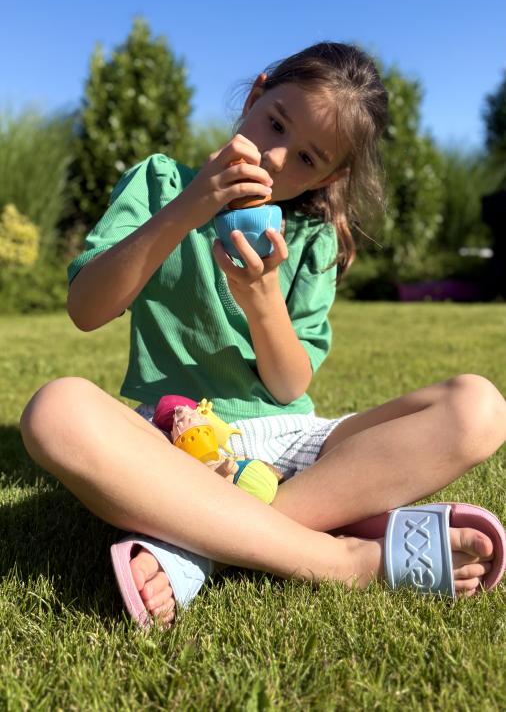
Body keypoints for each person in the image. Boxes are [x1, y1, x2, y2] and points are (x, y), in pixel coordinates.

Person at [20, 43, 506, 629]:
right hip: (175, 445)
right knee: (55, 411)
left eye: (306, 158)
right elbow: (86, 308)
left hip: (291, 441)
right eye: (275, 123)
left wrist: (262, 298)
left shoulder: (312, 237)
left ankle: (198, 546)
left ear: (329, 176)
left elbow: (288, 386)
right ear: (255, 95)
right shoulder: (159, 184)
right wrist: (188, 208)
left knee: (480, 408)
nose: (276, 158)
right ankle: (341, 557)